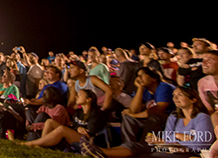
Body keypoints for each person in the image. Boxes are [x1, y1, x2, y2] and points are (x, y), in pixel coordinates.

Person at [81, 87, 215, 158]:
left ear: (193, 99)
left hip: (188, 153)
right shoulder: (174, 117)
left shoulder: (202, 117)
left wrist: (180, 138)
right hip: (170, 148)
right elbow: (168, 137)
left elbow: (203, 143)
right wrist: (164, 140)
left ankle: (100, 152)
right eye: (174, 95)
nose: (176, 98)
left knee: (142, 151)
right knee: (139, 148)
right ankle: (99, 152)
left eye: (180, 95)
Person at [15, 89, 107, 149]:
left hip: (89, 140)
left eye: (80, 95)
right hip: (76, 135)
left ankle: (29, 144)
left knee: (62, 129)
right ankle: (41, 145)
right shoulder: (78, 112)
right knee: (49, 121)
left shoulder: (95, 114)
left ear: (89, 99)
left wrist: (77, 128)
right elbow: (73, 125)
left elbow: (89, 131)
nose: (76, 97)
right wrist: (77, 128)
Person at [120, 67, 176, 146]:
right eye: (137, 76)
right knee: (128, 118)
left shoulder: (163, 87)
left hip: (169, 119)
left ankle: (144, 147)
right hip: (150, 119)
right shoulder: (144, 90)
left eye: (142, 75)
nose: (139, 78)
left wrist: (134, 115)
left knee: (153, 116)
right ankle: (128, 146)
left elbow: (158, 109)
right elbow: (133, 110)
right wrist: (140, 88)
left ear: (153, 78)